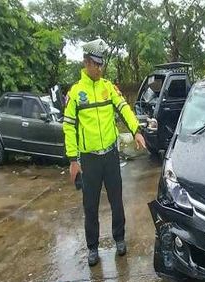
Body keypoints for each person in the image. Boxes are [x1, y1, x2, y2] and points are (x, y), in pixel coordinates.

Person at [63, 38, 146, 266]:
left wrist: (136, 130)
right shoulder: (76, 93)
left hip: (110, 156)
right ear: (86, 62)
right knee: (90, 206)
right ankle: (92, 247)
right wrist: (73, 159)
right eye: (96, 64)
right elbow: (69, 127)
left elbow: (124, 109)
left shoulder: (108, 88)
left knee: (116, 200)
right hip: (89, 159)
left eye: (101, 65)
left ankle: (119, 238)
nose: (100, 68)